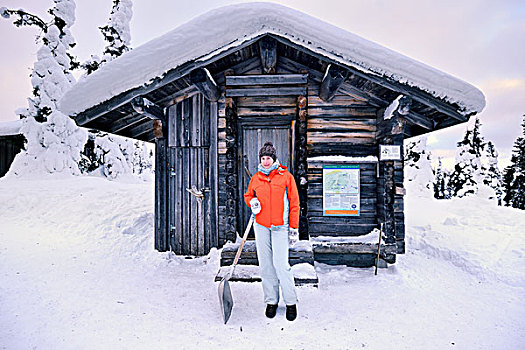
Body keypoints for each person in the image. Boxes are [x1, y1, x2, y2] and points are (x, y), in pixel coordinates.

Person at [244, 141, 300, 321]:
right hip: (261, 226)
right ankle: (271, 301)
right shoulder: (256, 178)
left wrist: (294, 228)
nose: (265, 161)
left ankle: (290, 302)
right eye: (262, 158)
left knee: (281, 265)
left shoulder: (286, 177)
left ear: (274, 159)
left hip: (280, 227)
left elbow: (294, 204)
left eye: (268, 158)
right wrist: (251, 202)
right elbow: (248, 195)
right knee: (266, 266)